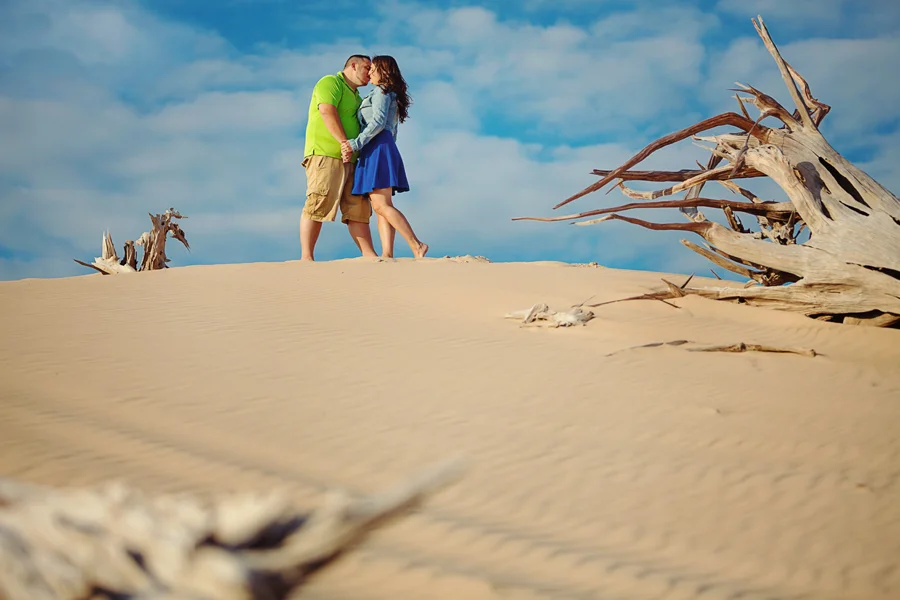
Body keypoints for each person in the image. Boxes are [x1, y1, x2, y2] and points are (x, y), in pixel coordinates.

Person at [341, 55, 428, 259]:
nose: (369, 72)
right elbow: (392, 130)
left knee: (381, 205)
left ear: (384, 71)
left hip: (377, 146)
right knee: (381, 206)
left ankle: (417, 245)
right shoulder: (390, 94)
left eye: (373, 69)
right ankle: (387, 254)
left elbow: (378, 122)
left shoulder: (381, 91)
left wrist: (355, 144)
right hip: (382, 147)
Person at [300, 55, 377, 261]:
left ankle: (370, 255)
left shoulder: (358, 97)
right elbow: (326, 111)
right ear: (353, 65)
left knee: (358, 207)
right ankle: (306, 257)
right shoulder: (331, 82)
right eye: (366, 68)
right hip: (326, 153)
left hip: (352, 159)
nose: (370, 73)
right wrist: (344, 143)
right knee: (319, 201)